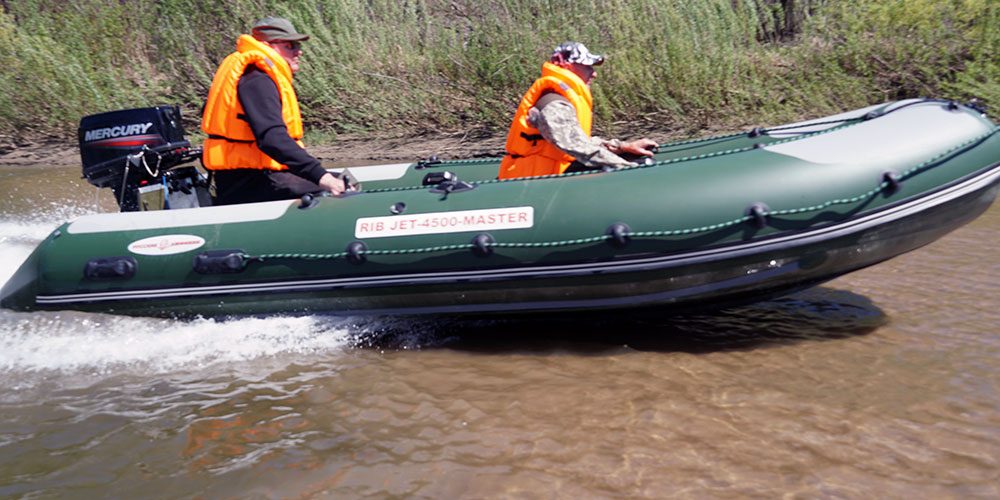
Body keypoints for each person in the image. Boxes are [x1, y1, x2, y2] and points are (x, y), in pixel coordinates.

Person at [201, 17, 346, 205]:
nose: (298, 51)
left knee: (345, 181)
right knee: (340, 186)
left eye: (297, 45)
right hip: (249, 181)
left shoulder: (260, 75)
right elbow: (272, 139)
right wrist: (321, 177)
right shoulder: (256, 79)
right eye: (290, 45)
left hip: (263, 174)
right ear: (267, 45)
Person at [499, 41, 658, 180]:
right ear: (562, 63)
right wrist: (626, 167)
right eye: (587, 66)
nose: (594, 74)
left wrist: (623, 147)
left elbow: (581, 141)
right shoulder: (553, 102)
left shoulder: (562, 98)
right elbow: (575, 145)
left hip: (549, 175)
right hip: (532, 181)